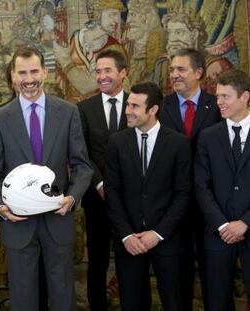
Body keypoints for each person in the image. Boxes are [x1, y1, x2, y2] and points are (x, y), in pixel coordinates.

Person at [0, 46, 93, 311]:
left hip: (58, 219)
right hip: (18, 224)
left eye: (34, 71)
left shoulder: (68, 112)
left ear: (45, 72)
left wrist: (73, 197)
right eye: (22, 72)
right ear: (13, 76)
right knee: (23, 300)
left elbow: (82, 165)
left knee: (63, 296)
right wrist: (0, 206)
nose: (29, 78)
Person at [104, 82, 192, 310]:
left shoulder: (178, 143)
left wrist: (159, 233)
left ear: (153, 110)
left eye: (134, 106)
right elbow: (112, 192)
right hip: (129, 241)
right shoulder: (116, 142)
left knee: (175, 302)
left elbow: (183, 193)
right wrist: (126, 236)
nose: (127, 111)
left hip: (168, 240)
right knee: (132, 303)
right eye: (127, 105)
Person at [159, 48, 221, 310]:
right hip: (175, 204)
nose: (174, 75)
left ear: (199, 73)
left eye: (181, 69)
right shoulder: (161, 109)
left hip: (212, 203)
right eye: (172, 70)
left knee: (214, 274)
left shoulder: (217, 105)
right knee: (178, 273)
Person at [195, 69, 250, 311]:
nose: (219, 102)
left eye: (225, 97)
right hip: (218, 234)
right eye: (217, 96)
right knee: (216, 302)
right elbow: (201, 185)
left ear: (245, 97)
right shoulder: (208, 137)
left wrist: (245, 223)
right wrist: (222, 224)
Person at [77, 49, 128, 311]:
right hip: (97, 199)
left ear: (123, 73)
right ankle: (97, 304)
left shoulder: (137, 103)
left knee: (129, 257)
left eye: (107, 70)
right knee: (97, 258)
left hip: (131, 199)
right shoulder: (84, 109)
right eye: (98, 71)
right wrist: (100, 184)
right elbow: (81, 153)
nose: (101, 76)